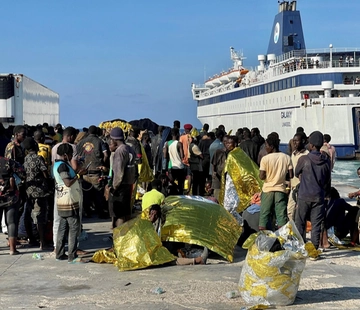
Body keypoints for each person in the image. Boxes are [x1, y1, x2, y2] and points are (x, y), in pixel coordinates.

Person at [295, 131, 331, 254]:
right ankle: (314, 250)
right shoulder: (326, 161)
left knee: (300, 222)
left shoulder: (303, 159)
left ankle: (299, 247)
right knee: (316, 225)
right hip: (319, 197)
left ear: (311, 145)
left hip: (304, 195)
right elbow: (327, 181)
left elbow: (296, 173)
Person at [53, 143, 88, 263]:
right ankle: (72, 255)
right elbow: (67, 182)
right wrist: (79, 175)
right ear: (65, 155)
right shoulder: (62, 166)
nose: (71, 156)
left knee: (62, 228)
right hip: (68, 201)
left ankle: (60, 253)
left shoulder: (58, 164)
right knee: (73, 227)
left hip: (62, 200)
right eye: (70, 154)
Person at [259, 134, 293, 231]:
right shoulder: (286, 157)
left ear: (272, 146)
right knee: (281, 217)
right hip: (280, 190)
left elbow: (261, 176)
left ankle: (264, 239)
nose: (265, 148)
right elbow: (291, 175)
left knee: (264, 216)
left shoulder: (265, 159)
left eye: (266, 145)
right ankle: (282, 239)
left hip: (267, 190)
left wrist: (268, 175)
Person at [23, 137, 51, 250]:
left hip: (28, 190)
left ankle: (32, 240)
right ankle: (42, 242)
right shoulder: (38, 158)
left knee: (29, 216)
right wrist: (48, 180)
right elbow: (44, 172)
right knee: (40, 217)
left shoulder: (26, 159)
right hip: (40, 191)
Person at [76, 125, 109, 218]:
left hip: (84, 172)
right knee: (98, 194)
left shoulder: (81, 142)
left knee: (86, 194)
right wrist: (103, 163)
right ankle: (100, 213)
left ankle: (87, 213)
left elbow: (77, 156)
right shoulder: (100, 142)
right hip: (96, 171)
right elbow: (106, 154)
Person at [109, 127, 137, 227]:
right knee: (126, 212)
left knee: (120, 214)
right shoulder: (129, 148)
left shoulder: (120, 151)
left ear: (114, 139)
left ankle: (118, 237)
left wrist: (114, 188)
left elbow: (118, 173)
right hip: (129, 184)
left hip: (121, 186)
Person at [0, 156, 23, 254]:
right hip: (11, 196)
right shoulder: (8, 161)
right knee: (11, 222)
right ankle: (13, 249)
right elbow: (22, 173)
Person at [287, 132, 308, 220]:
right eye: (294, 141)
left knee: (301, 212)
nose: (294, 143)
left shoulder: (307, 155)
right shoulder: (293, 153)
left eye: (297, 141)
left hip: (303, 188)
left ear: (303, 141)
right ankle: (292, 230)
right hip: (293, 187)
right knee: (290, 210)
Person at [163, 128, 185, 194]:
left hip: (171, 166)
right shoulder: (179, 144)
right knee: (181, 184)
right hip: (179, 166)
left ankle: (171, 194)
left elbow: (165, 156)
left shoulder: (167, 143)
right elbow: (182, 156)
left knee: (171, 182)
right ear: (178, 134)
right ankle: (181, 195)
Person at [179, 124, 193, 194]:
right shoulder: (192, 137)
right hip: (191, 159)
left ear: (185, 129)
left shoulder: (182, 137)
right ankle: (189, 189)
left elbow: (180, 147)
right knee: (190, 175)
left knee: (182, 175)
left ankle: (182, 189)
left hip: (183, 159)